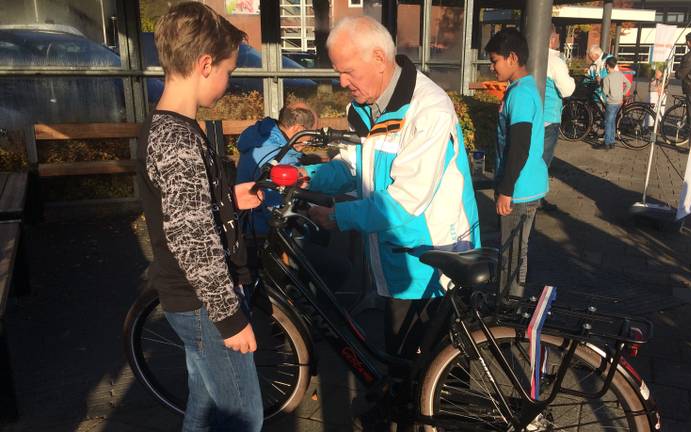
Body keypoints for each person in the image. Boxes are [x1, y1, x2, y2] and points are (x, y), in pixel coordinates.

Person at [303, 15, 481, 426]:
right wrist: (304, 175)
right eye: (337, 72)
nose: (341, 81)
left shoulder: (428, 109)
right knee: (403, 367)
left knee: (441, 379)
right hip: (395, 259)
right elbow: (353, 166)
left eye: (347, 71)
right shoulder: (366, 107)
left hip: (433, 262)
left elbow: (404, 202)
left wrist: (337, 217)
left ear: (379, 58)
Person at [135, 3, 264, 431]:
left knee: (205, 407)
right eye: (228, 70)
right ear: (205, 65)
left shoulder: (170, 128)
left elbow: (185, 207)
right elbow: (193, 242)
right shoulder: (178, 140)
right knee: (243, 418)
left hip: (194, 302)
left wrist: (226, 198)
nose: (229, 82)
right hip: (205, 306)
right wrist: (230, 318)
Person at [485, 28, 548, 302]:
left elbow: (519, 145)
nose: (491, 67)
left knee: (511, 254)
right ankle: (514, 304)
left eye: (495, 60)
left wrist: (506, 189)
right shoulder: (524, 89)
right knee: (517, 251)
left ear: (512, 58)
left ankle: (508, 312)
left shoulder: (520, 95)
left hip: (519, 190)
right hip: (527, 185)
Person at [236, 105, 316, 236]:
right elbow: (278, 207)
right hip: (265, 233)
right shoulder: (280, 159)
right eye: (311, 134)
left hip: (246, 224)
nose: (311, 141)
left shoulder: (260, 138)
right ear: (298, 129)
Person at [540, 24, 575, 211]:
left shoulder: (530, 57)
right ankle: (537, 199)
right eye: (558, 37)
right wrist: (573, 80)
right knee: (543, 161)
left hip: (531, 116)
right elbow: (567, 89)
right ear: (552, 39)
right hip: (549, 118)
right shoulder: (556, 62)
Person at [602, 57, 630, 150]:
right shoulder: (620, 74)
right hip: (619, 102)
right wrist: (623, 94)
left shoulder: (607, 78)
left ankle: (607, 143)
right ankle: (612, 142)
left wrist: (605, 100)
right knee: (612, 121)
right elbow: (628, 84)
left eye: (606, 65)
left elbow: (605, 93)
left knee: (608, 122)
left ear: (607, 66)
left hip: (611, 103)